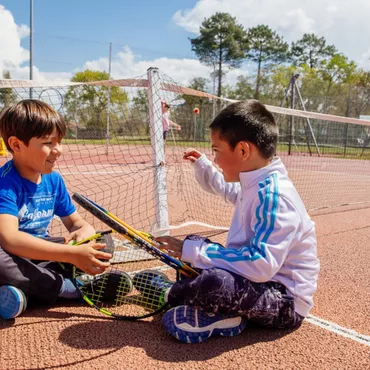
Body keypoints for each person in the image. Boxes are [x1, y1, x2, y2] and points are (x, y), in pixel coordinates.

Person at [133, 100, 320, 343]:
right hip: (257, 282)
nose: (216, 159)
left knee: (214, 280)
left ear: (243, 151)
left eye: (217, 151)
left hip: (282, 299)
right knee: (194, 244)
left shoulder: (274, 196)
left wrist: (195, 252)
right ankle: (213, 308)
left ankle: (171, 294)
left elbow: (261, 264)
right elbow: (227, 190)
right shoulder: (254, 182)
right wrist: (204, 166)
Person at [0, 100, 130, 320]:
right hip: (11, 255)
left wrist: (84, 235)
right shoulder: (5, 183)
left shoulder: (54, 180)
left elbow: (77, 223)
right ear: (17, 145)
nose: (58, 150)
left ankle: (24, 294)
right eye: (48, 142)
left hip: (42, 254)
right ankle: (74, 289)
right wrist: (71, 254)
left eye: (59, 142)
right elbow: (10, 239)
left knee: (103, 242)